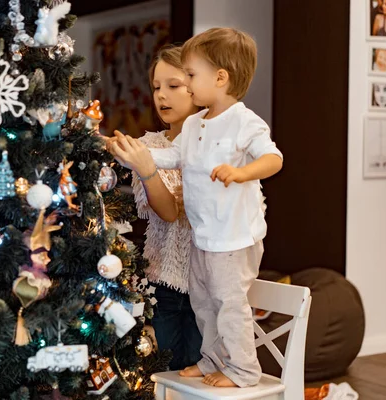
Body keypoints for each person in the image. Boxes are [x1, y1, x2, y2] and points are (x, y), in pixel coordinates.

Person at [109, 28, 283, 388]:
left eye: (189, 77)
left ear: (220, 78)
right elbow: (172, 156)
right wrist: (134, 155)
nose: (186, 86)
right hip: (206, 238)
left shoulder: (243, 120)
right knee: (205, 304)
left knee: (228, 304)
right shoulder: (194, 125)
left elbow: (273, 158)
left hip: (233, 238)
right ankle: (212, 361)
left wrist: (241, 172)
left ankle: (243, 370)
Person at [106, 45, 203, 370]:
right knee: (169, 375)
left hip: (210, 283)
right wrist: (144, 167)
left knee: (203, 378)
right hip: (164, 285)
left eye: (173, 86)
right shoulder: (149, 146)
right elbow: (169, 212)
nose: (162, 96)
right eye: (157, 86)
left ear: (197, 85)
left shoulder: (217, 144)